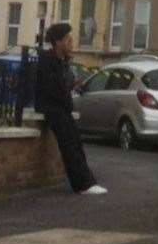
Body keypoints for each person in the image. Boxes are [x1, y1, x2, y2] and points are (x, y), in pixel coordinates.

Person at [35, 23, 106, 195]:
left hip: (61, 107)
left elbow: (65, 86)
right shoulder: (47, 60)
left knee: (76, 142)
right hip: (51, 107)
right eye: (68, 39)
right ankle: (82, 185)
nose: (71, 43)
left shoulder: (62, 62)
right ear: (58, 42)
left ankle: (89, 181)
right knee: (68, 144)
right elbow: (54, 88)